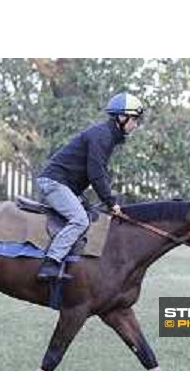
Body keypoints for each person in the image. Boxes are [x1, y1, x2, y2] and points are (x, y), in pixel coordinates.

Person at [36, 92, 144, 279]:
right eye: (134, 119)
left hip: (65, 185)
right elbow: (96, 173)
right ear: (121, 117)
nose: (136, 124)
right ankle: (51, 262)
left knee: (90, 214)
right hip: (54, 183)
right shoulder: (102, 136)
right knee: (80, 220)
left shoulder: (107, 136)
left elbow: (95, 171)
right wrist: (111, 202)